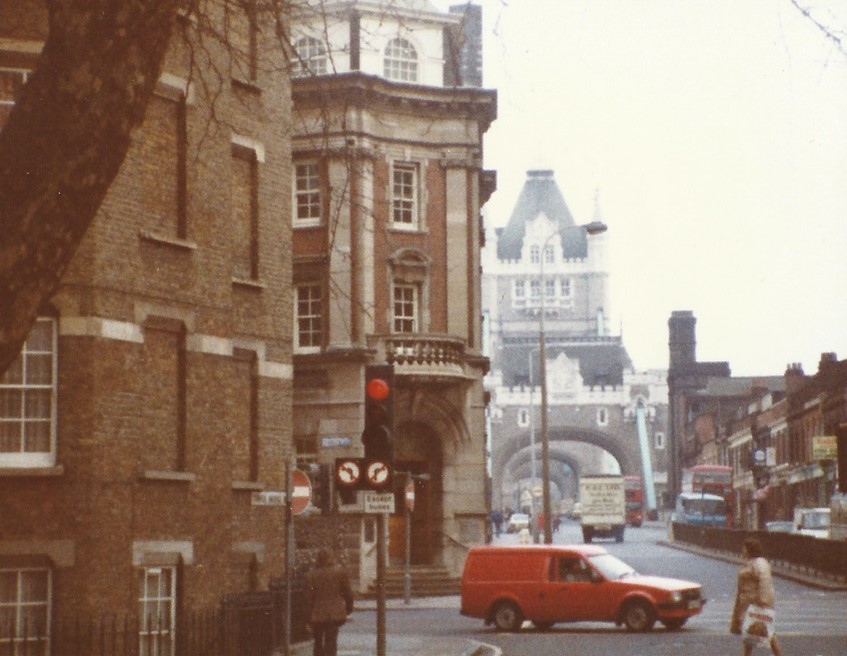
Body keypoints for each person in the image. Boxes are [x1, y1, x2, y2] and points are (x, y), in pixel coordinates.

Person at [730, 537, 783, 656]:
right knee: (751, 633)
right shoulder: (751, 563)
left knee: (766, 633)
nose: (742, 551)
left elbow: (764, 582)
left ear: (750, 549)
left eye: (744, 548)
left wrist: (762, 602)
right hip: (749, 604)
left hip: (755, 604)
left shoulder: (760, 563)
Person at [305, 548, 354, 656]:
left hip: (317, 615)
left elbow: (308, 599)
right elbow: (348, 594)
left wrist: (308, 618)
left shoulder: (311, 576)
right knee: (331, 642)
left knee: (317, 643)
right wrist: (348, 609)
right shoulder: (340, 573)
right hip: (335, 614)